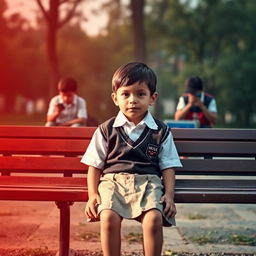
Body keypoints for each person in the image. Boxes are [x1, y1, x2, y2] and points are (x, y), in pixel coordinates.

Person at [80, 62, 182, 256]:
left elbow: (168, 166)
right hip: (113, 183)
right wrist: (93, 194)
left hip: (149, 183)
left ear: (152, 98)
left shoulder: (161, 131)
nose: (132, 100)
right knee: (108, 217)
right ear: (115, 98)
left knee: (154, 219)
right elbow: (94, 165)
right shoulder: (105, 130)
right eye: (125, 94)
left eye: (140, 94)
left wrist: (169, 195)